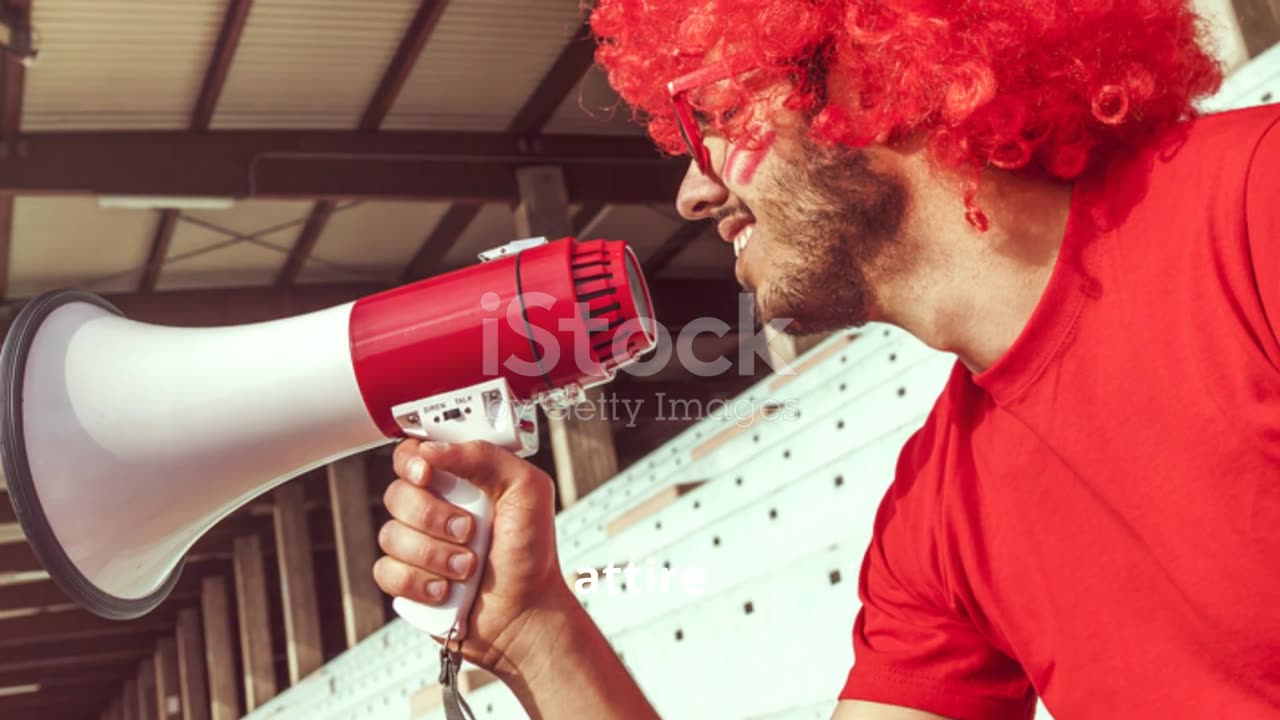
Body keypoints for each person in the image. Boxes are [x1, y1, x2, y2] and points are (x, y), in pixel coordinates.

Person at [371, 1, 1280, 718]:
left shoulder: (1254, 210)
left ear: (877, 65)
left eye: (716, 116)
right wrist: (537, 631)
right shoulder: (933, 516)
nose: (692, 191)